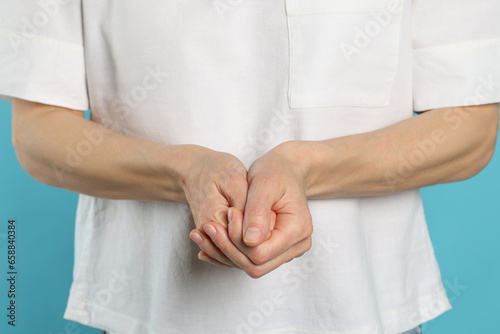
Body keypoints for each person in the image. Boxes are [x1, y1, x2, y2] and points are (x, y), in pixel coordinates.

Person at [1, 0, 499, 333]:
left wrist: (306, 167)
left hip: (366, 311)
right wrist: (183, 170)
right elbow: (38, 132)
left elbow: (471, 128)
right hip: (148, 313)